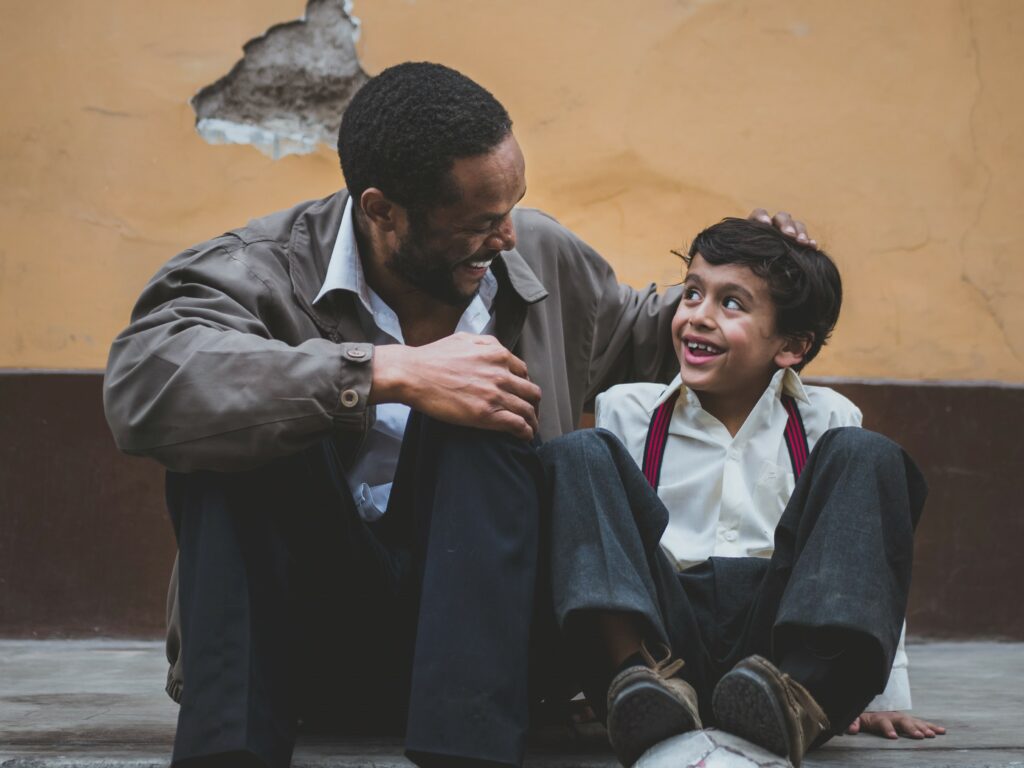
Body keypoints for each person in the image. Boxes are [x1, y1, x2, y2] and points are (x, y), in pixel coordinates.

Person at [103, 62, 811, 768]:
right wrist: (384, 373)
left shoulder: (540, 255)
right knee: (242, 431)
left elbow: (651, 339)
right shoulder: (259, 270)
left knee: (487, 404)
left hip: (495, 661)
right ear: (382, 212)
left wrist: (757, 291)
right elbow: (145, 383)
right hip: (298, 658)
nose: (508, 237)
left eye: (512, 209)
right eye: (480, 222)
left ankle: (465, 755)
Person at [538, 217, 945, 767]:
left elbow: (864, 554)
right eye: (692, 293)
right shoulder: (628, 409)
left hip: (776, 652)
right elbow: (604, 549)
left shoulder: (827, 418)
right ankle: (633, 682)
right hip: (664, 640)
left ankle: (800, 701)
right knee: (577, 452)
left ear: (792, 346)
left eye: (731, 303)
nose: (697, 316)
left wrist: (884, 694)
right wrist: (586, 681)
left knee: (868, 453)